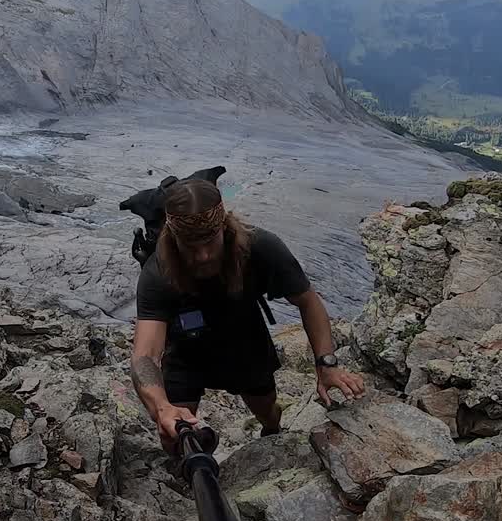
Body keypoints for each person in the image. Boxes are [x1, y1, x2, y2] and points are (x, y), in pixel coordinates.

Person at [129, 178, 366, 451]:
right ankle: (184, 469)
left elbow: (308, 301)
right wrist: (162, 408)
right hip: (185, 350)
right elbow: (145, 354)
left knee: (268, 411)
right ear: (173, 238)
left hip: (245, 340)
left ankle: (272, 430)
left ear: (224, 228)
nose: (204, 255)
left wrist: (327, 365)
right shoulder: (159, 272)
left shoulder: (260, 247)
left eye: (210, 241)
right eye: (191, 246)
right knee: (175, 432)